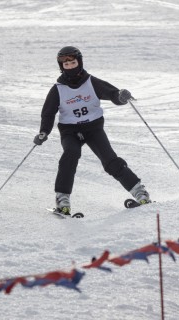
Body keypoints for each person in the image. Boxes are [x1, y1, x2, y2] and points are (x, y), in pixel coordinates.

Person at [33, 46, 150, 215]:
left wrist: (121, 96)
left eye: (73, 63)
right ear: (62, 67)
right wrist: (44, 132)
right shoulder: (58, 89)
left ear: (79, 63)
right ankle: (62, 200)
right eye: (67, 65)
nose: (71, 67)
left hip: (93, 128)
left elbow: (112, 93)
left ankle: (140, 193)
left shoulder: (91, 82)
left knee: (110, 160)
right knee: (70, 154)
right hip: (70, 131)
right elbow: (48, 113)